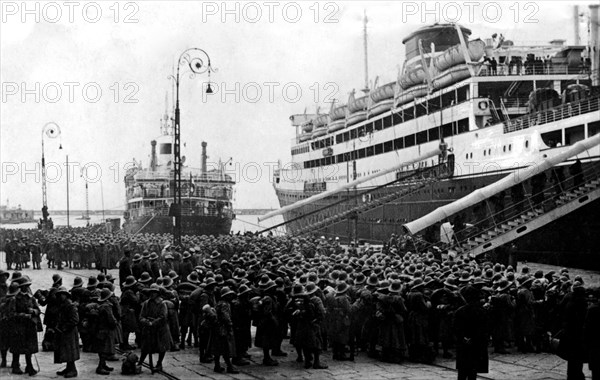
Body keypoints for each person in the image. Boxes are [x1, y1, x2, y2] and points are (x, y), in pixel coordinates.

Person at [8, 276, 42, 375]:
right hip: (18, 327)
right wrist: (24, 315)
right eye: (25, 286)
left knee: (29, 348)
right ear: (21, 287)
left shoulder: (31, 298)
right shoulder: (15, 299)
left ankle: (29, 366)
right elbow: (11, 314)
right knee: (17, 347)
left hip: (29, 326)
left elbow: (38, 310)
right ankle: (15, 366)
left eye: (28, 286)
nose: (27, 288)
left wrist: (34, 311)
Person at [454, 285, 489, 380]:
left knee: (462, 371)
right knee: (473, 370)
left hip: (463, 343)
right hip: (476, 344)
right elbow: (484, 329)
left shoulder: (459, 311)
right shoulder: (482, 311)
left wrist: (463, 338)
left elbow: (455, 328)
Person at [138, 284, 172, 373]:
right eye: (151, 292)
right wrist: (147, 322)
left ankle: (159, 364)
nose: (152, 294)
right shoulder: (146, 303)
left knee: (162, 347)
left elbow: (163, 317)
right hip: (148, 329)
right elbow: (141, 316)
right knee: (145, 347)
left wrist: (153, 323)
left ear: (158, 293)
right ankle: (140, 363)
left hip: (161, 329)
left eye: (154, 292)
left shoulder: (162, 304)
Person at [560, 281, 588, 380]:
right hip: (577, 335)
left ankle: (571, 375)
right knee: (577, 358)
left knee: (571, 358)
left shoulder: (570, 301)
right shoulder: (582, 304)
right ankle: (577, 375)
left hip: (568, 334)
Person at [52, 287, 80, 378]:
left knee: (70, 350)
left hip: (70, 332)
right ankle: (68, 368)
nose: (60, 296)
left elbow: (75, 320)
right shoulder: (63, 304)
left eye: (62, 294)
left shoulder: (70, 305)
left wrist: (64, 327)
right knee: (66, 350)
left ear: (66, 295)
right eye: (59, 295)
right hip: (64, 331)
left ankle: (73, 370)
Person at [211, 287, 239, 374]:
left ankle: (217, 365)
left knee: (218, 348)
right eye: (229, 295)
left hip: (217, 328)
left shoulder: (219, 303)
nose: (231, 296)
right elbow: (225, 316)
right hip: (223, 329)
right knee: (226, 348)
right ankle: (229, 366)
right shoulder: (225, 304)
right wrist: (230, 324)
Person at [94, 288, 117, 375]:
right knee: (104, 349)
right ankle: (100, 367)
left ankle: (103, 365)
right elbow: (111, 319)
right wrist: (115, 323)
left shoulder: (101, 306)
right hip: (106, 330)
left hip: (100, 329)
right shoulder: (107, 307)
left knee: (102, 348)